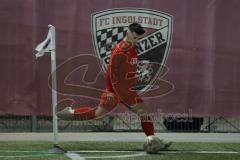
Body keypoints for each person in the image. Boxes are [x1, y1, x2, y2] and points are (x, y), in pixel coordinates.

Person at [57, 23, 171, 153]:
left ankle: (152, 140)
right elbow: (110, 73)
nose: (136, 41)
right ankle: (70, 113)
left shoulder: (132, 48)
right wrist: (110, 91)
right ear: (127, 33)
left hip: (127, 91)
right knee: (97, 115)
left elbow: (127, 68)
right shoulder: (119, 50)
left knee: (144, 112)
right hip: (116, 91)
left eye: (138, 39)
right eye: (135, 38)